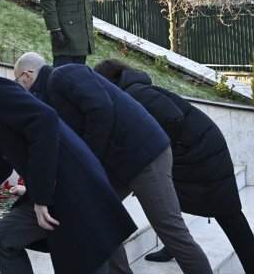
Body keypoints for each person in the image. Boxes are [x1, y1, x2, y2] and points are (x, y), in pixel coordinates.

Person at [13, 52, 213, 274]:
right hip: (121, 162)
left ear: (28, 75)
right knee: (97, 217)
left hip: (145, 154)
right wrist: (36, 189)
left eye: (18, 82)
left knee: (172, 232)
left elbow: (101, 108)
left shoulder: (64, 74)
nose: (20, 89)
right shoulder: (49, 100)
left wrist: (89, 158)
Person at [0, 58, 137, 274]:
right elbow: (3, 160)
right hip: (60, 189)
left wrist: (41, 197)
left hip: (70, 187)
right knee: (4, 238)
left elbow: (45, 119)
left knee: (86, 260)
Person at [93, 59, 254, 274]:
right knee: (168, 199)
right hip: (190, 148)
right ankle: (171, 247)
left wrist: (164, 146)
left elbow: (173, 117)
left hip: (201, 151)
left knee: (228, 213)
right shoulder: (132, 91)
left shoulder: (136, 93)